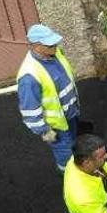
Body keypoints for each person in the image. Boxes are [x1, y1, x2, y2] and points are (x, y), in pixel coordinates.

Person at [16, 23, 80, 172]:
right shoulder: (29, 76)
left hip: (71, 115)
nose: (55, 45)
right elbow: (29, 111)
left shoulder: (55, 53)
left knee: (76, 146)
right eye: (50, 43)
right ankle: (68, 178)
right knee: (66, 157)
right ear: (37, 46)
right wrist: (44, 131)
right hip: (56, 127)